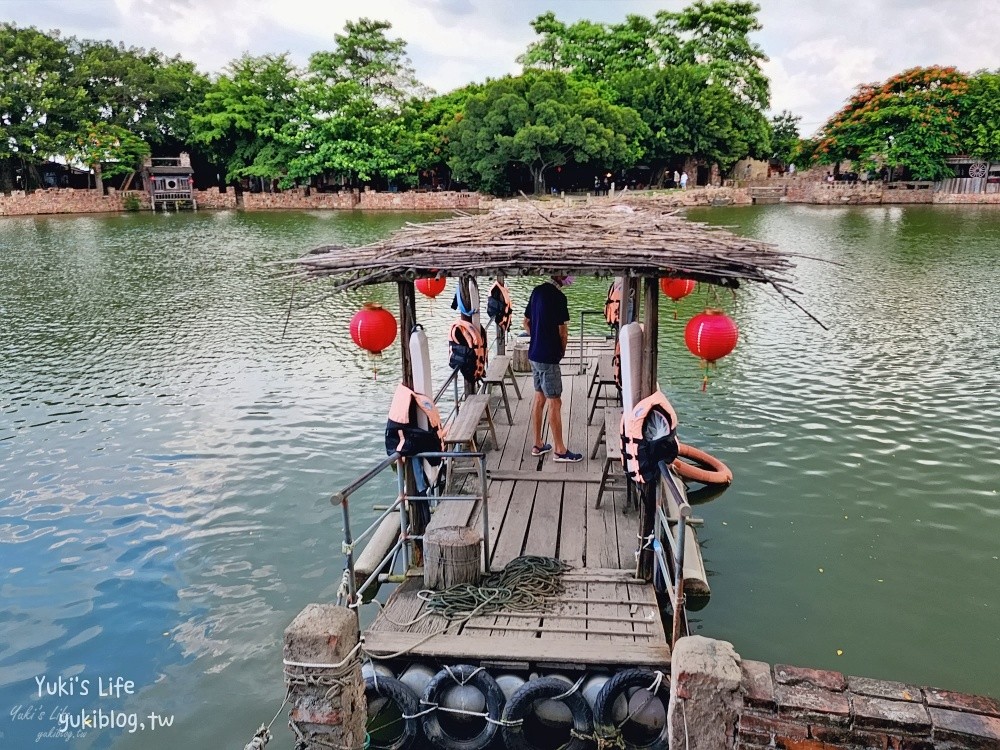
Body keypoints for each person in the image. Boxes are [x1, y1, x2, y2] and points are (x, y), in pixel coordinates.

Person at [523, 275, 583, 462]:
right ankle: (559, 449)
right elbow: (563, 332)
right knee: (555, 402)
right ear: (561, 278)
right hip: (549, 358)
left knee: (539, 397)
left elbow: (525, 322)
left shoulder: (536, 292)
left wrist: (537, 337)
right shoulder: (559, 298)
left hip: (533, 355)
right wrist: (560, 352)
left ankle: (538, 443)